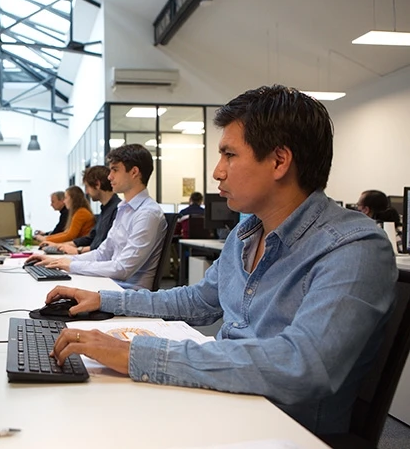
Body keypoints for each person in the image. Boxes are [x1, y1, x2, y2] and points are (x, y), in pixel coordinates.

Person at [44, 85, 397, 436]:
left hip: (281, 431)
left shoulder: (354, 248)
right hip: (230, 404)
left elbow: (301, 365)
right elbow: (199, 300)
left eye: (229, 154)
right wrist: (106, 300)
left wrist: (137, 354)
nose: (217, 172)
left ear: (279, 160)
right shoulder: (246, 235)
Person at [28, 144, 167, 290]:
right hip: (109, 284)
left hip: (125, 293)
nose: (109, 176)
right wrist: (63, 260)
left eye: (115, 170)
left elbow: (122, 269)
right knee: (47, 287)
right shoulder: (124, 209)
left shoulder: (147, 214)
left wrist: (72, 265)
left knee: (49, 293)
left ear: (134, 172)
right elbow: (102, 253)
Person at [42, 165, 121, 255]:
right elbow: (91, 238)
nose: (86, 192)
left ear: (97, 184)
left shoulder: (118, 210)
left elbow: (104, 247)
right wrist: (60, 245)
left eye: (87, 187)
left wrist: (78, 250)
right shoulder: (105, 209)